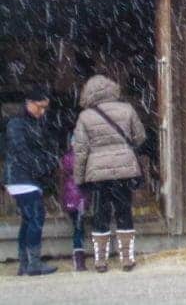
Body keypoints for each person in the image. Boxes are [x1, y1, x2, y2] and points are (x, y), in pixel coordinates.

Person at [73, 75, 146, 273]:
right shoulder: (127, 109)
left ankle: (100, 261)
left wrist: (78, 178)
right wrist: (124, 146)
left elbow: (80, 150)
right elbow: (140, 137)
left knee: (100, 215)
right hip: (124, 169)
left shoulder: (85, 117)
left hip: (98, 174)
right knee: (124, 212)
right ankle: (127, 258)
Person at [3, 85, 59, 276]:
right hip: (21, 177)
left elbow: (41, 149)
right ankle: (32, 263)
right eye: (40, 106)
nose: (42, 111)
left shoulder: (31, 123)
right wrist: (43, 165)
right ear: (29, 103)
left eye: (45, 108)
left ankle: (25, 263)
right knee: (36, 217)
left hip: (25, 177)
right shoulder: (16, 124)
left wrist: (47, 161)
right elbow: (23, 152)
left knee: (28, 220)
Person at [61, 134, 87, 271]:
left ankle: (78, 257)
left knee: (77, 227)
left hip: (69, 197)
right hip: (81, 198)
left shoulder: (66, 157)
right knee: (79, 229)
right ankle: (79, 259)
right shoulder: (83, 157)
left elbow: (64, 175)